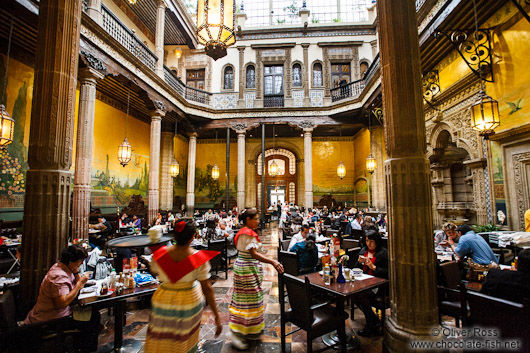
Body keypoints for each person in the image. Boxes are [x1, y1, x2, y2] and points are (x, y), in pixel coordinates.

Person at [146, 218, 222, 353]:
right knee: (184, 339)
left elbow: (154, 271)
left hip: (162, 298)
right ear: (193, 237)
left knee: (161, 337)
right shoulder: (198, 258)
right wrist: (216, 315)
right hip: (188, 300)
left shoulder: (159, 255)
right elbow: (207, 288)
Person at [24, 245, 100, 352]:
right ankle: (86, 349)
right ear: (70, 261)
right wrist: (79, 285)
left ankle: (81, 346)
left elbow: (76, 284)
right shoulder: (59, 276)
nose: (82, 263)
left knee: (92, 313)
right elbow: (62, 303)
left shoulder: (61, 267)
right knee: (93, 318)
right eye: (80, 261)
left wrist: (76, 272)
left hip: (57, 313)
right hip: (52, 320)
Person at [228, 208, 284, 350]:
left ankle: (251, 330)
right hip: (246, 268)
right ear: (248, 220)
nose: (258, 221)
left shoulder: (245, 232)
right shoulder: (247, 234)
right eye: (256, 219)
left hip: (246, 266)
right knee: (246, 300)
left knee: (251, 298)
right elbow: (253, 254)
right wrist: (272, 261)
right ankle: (238, 333)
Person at [354, 230, 389, 337]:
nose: (369, 244)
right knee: (353, 295)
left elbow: (388, 273)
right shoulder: (363, 251)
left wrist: (373, 267)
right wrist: (359, 262)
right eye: (367, 240)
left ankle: (371, 323)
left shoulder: (383, 253)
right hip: (363, 282)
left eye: (371, 241)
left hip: (378, 285)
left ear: (377, 242)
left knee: (361, 296)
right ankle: (373, 319)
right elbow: (355, 268)